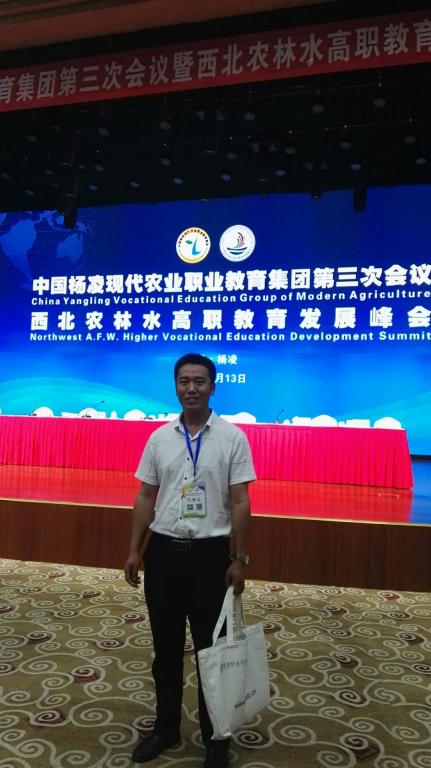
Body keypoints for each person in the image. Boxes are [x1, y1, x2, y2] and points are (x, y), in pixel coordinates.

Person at [124, 352, 256, 767]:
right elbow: (146, 495)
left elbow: (240, 501)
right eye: (184, 381)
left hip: (209, 559)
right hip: (163, 555)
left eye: (199, 381)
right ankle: (166, 727)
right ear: (175, 386)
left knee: (210, 652)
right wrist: (135, 548)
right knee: (165, 650)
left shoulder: (232, 437)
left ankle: (217, 736)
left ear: (213, 386)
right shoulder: (159, 438)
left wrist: (240, 558)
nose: (191, 388)